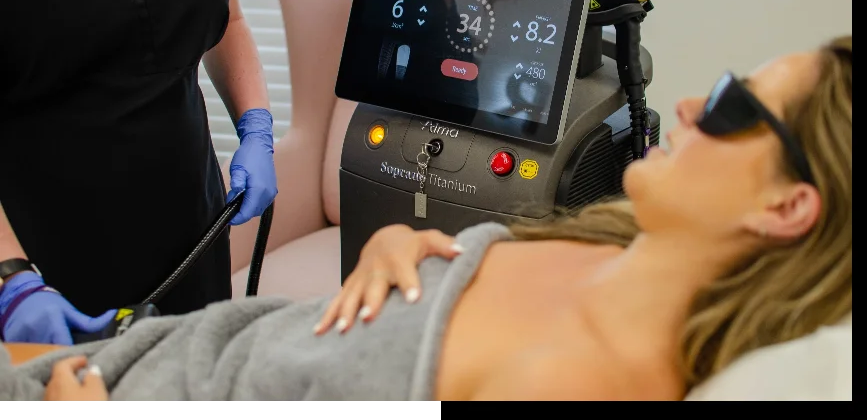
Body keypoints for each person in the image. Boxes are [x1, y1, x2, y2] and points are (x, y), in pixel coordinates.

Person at [0, 34, 851, 402]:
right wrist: (403, 250)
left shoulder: (588, 378)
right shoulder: (610, 241)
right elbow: (451, 295)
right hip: (174, 351)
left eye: (739, 103)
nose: (695, 101)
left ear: (788, 205)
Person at [0, 0, 278, 345]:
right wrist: (10, 278)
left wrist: (256, 124)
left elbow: (227, 18)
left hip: (189, 229)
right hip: (43, 256)